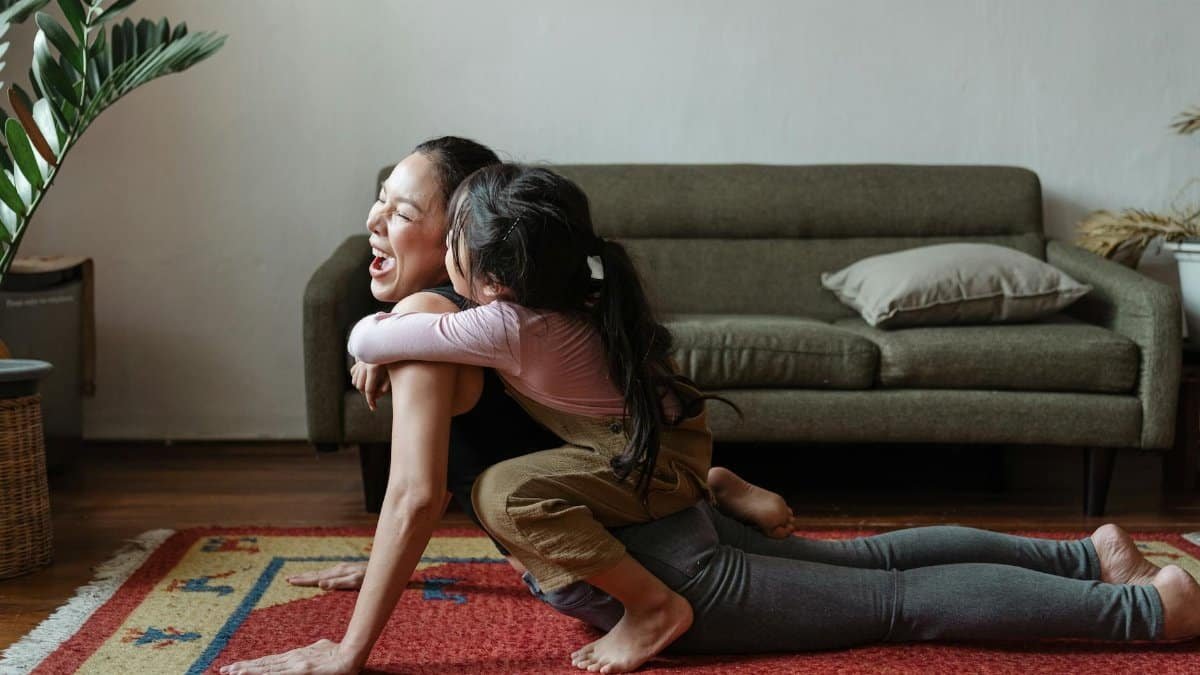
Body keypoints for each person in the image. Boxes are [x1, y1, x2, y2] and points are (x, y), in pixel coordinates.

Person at [219, 139, 1200, 675]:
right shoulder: (526, 304)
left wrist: (348, 656)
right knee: (874, 562)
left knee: (899, 601)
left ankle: (1140, 613)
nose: (375, 223)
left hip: (666, 564)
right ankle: (1088, 556)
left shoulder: (452, 326)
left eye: (402, 208)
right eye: (378, 199)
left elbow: (418, 495)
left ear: (470, 251)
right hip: (664, 509)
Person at [345, 163, 746, 672]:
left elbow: (366, 339)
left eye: (452, 238)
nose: (376, 220)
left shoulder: (504, 324)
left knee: (503, 493)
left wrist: (384, 338)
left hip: (645, 457)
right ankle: (707, 484)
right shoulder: (575, 292)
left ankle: (653, 607)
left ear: (492, 276)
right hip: (673, 442)